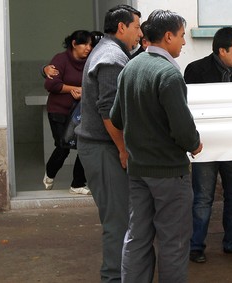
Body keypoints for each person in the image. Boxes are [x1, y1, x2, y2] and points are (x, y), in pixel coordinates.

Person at [110, 10, 202, 282]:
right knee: (173, 241)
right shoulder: (168, 74)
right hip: (169, 172)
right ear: (168, 36)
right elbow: (182, 128)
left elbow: (117, 117)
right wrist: (194, 144)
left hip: (138, 170)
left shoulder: (131, 67)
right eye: (183, 36)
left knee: (137, 236)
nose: (184, 43)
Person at [75, 4, 142, 283]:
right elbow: (108, 111)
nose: (140, 33)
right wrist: (123, 148)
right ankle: (114, 278)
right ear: (122, 27)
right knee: (118, 222)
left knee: (120, 219)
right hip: (103, 147)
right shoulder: (111, 58)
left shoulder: (109, 51)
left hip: (102, 146)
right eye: (137, 27)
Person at [184, 27, 232, 263]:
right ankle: (195, 246)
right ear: (222, 50)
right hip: (204, 145)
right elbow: (188, 109)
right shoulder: (195, 70)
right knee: (202, 197)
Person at [42, 30, 92, 195]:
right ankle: (50, 174)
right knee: (63, 148)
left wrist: (85, 91)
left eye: (90, 45)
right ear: (74, 44)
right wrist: (76, 89)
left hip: (80, 112)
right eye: (84, 44)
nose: (88, 48)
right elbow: (51, 85)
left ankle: (77, 184)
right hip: (59, 111)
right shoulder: (60, 59)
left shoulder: (89, 61)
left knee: (83, 147)